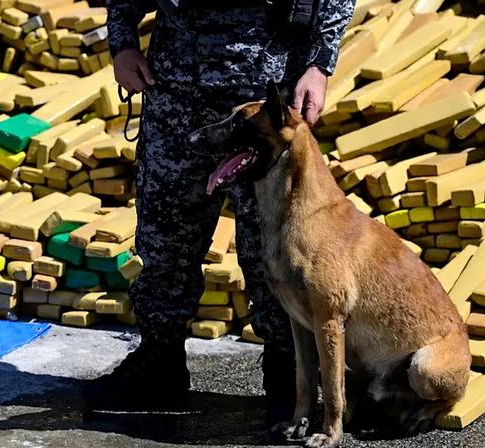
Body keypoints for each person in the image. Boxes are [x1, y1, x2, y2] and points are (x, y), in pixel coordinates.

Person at [86, 0, 354, 426]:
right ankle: (160, 365)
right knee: (164, 241)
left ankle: (288, 384)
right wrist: (122, 43)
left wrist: (320, 65)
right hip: (174, 92)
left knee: (275, 253)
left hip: (262, 103)